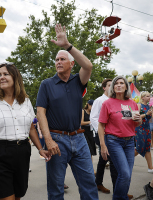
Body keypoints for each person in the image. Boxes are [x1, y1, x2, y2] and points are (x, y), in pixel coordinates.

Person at [0, 62, 51, 200]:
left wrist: (40, 149)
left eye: (5, 74)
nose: (1, 77)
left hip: (22, 153)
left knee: (17, 196)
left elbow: (31, 128)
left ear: (15, 77)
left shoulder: (25, 101)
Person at [36, 23, 98, 200]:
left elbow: (88, 66)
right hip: (57, 140)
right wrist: (48, 140)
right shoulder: (46, 84)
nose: (58, 62)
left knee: (88, 185)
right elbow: (40, 113)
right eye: (56, 60)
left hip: (79, 139)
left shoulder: (78, 81)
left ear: (71, 63)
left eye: (62, 59)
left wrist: (67, 46)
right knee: (56, 189)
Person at [98, 75, 142, 200]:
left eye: (122, 83)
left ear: (126, 87)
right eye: (116, 83)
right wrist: (102, 145)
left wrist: (139, 120)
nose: (118, 85)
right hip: (113, 141)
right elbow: (101, 125)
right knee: (124, 173)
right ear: (113, 87)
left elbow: (135, 124)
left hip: (129, 142)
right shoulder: (107, 103)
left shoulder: (132, 104)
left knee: (127, 175)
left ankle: (120, 197)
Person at [90, 79, 118, 194]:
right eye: (109, 85)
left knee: (103, 159)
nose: (112, 87)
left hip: (114, 134)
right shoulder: (99, 100)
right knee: (113, 161)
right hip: (103, 135)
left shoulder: (115, 100)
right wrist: (103, 132)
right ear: (104, 88)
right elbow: (93, 118)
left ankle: (98, 183)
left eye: (113, 85)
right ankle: (118, 190)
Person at [135, 91, 153, 172]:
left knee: (147, 148)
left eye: (149, 96)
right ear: (142, 97)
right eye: (147, 96)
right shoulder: (139, 105)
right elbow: (137, 116)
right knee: (139, 147)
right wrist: (146, 114)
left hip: (147, 128)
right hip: (139, 128)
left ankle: (150, 167)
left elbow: (149, 118)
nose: (149, 97)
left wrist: (150, 114)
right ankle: (124, 160)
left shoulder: (149, 106)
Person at [81, 99, 96, 169]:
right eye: (93, 106)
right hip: (84, 133)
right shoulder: (83, 111)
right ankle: (91, 169)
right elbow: (81, 123)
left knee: (91, 152)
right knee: (88, 151)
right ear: (89, 105)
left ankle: (90, 168)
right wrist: (90, 122)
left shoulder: (92, 113)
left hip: (91, 133)